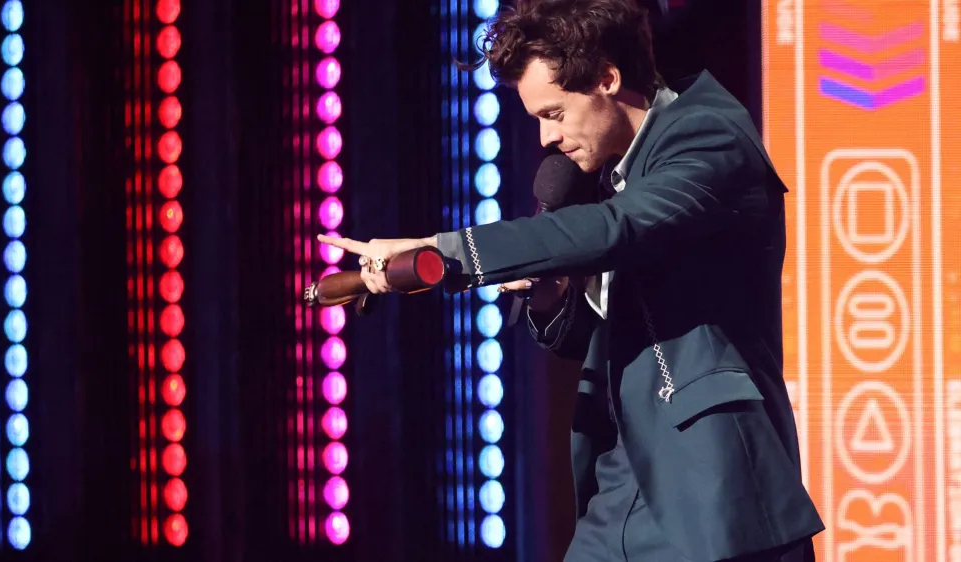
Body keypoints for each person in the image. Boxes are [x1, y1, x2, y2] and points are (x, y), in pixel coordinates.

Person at [318, 0, 824, 560]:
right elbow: (605, 330)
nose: (543, 139)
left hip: (713, 482)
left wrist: (440, 250)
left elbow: (615, 229)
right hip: (622, 482)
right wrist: (552, 293)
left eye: (554, 114)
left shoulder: (709, 139)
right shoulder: (612, 170)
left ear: (607, 78)